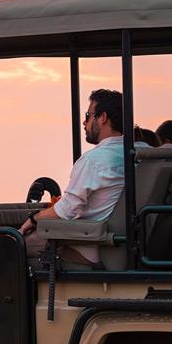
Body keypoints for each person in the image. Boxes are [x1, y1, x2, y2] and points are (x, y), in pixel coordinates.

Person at [20, 89, 127, 265]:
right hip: (113, 239)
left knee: (11, 244)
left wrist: (33, 219)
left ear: (103, 118)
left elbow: (66, 210)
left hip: (88, 245)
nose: (84, 122)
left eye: (88, 115)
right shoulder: (137, 152)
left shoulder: (94, 160)